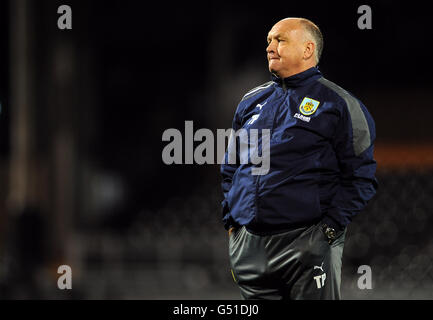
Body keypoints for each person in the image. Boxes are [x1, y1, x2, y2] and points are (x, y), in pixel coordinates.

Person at [220, 17, 378, 300]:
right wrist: (233, 226)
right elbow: (231, 168)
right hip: (249, 247)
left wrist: (327, 232)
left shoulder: (339, 104)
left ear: (307, 50)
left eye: (280, 40)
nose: (270, 46)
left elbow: (361, 177)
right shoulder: (250, 101)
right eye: (269, 40)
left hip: (306, 242)